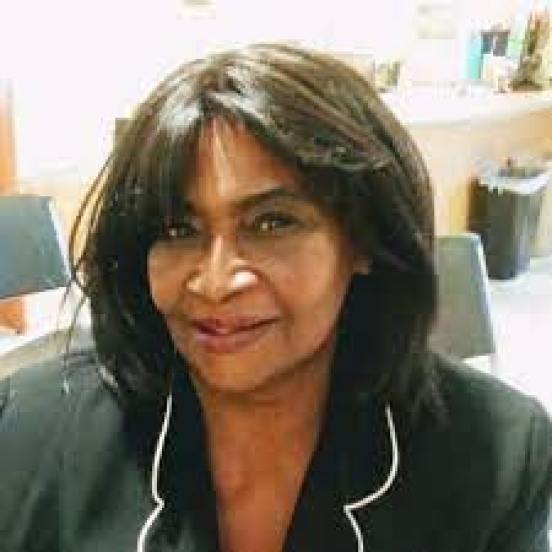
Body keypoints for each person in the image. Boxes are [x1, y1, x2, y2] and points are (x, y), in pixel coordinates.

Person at [1, 43, 551, 552]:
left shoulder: (496, 458)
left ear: (363, 240)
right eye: (176, 230)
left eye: (272, 223)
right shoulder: (27, 437)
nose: (216, 282)